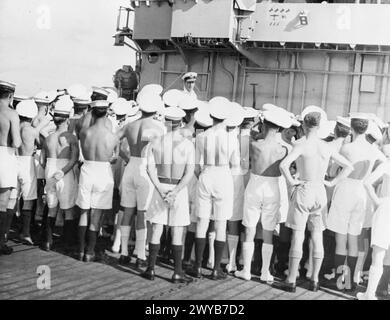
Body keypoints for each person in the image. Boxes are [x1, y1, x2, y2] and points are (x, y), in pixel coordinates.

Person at [279, 108, 353, 292]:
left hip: (304, 187)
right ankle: (314, 280)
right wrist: (332, 182)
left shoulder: (301, 144)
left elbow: (284, 165)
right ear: (319, 127)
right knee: (317, 235)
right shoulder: (326, 146)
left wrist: (291, 181)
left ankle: (291, 280)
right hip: (320, 190)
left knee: (298, 235)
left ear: (304, 125)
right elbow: (348, 166)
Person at [326, 114, 386, 292]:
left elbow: (332, 169)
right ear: (366, 129)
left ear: (351, 128)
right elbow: (383, 164)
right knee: (353, 238)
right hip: (362, 192)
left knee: (340, 238)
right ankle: (350, 280)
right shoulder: (373, 151)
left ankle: (338, 279)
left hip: (345, 189)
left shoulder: (347, 148)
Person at [234, 108, 292, 283]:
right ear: (281, 128)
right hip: (273, 186)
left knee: (250, 228)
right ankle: (266, 271)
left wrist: (259, 122)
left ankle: (246, 269)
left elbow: (246, 137)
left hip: (255, 184)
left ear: (265, 125)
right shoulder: (285, 149)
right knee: (268, 230)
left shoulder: (254, 144)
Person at [187, 97, 240, 280]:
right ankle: (216, 268)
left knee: (202, 222)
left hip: (206, 174)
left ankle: (198, 266)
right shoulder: (233, 139)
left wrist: (202, 174)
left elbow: (195, 165)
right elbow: (236, 166)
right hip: (223, 176)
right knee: (221, 223)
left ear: (210, 116)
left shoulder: (201, 137)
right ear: (226, 118)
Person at [143, 106, 195, 283]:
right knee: (177, 229)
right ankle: (177, 272)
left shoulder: (156, 142)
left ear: (166, 122)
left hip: (161, 186)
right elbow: (189, 172)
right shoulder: (188, 144)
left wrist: (159, 188)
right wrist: (176, 191)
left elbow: (149, 168)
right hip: (177, 188)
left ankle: (150, 269)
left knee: (157, 228)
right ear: (181, 123)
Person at [116, 90, 165, 268]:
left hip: (131, 166)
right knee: (142, 213)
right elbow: (160, 153)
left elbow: (114, 140)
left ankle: (123, 252)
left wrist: (123, 156)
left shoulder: (130, 125)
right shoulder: (158, 127)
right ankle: (141, 254)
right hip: (146, 168)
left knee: (127, 210)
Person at [76, 100, 118, 262]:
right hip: (103, 171)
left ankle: (80, 250)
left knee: (84, 212)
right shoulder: (112, 136)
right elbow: (114, 157)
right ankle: (90, 251)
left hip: (87, 170)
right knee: (96, 214)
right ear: (106, 113)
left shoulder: (84, 133)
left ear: (92, 112)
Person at [41, 98, 79, 253]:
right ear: (67, 119)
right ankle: (67, 242)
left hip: (50, 168)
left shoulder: (48, 138)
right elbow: (74, 158)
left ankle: (48, 241)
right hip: (65, 170)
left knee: (51, 207)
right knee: (68, 209)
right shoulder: (71, 137)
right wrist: (63, 171)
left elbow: (43, 160)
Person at [182, 109, 213, 268]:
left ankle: (186, 257)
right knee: (202, 221)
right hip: (200, 179)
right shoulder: (206, 140)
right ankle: (198, 258)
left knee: (193, 222)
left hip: (191, 180)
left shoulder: (191, 140)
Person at [12, 99, 45, 245]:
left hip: (14, 160)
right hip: (27, 163)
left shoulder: (13, 128)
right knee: (28, 199)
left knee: (12, 198)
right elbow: (41, 144)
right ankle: (25, 232)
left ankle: (6, 231)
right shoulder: (31, 131)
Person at [357, 158, 390, 299]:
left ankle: (369, 295)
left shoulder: (387, 164)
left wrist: (378, 202)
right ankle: (379, 290)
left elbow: (367, 182)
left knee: (378, 253)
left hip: (386, 207)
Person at [0, 80, 21, 255]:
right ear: (10, 95)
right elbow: (17, 142)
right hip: (5, 156)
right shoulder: (11, 114)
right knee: (2, 202)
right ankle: (0, 242)